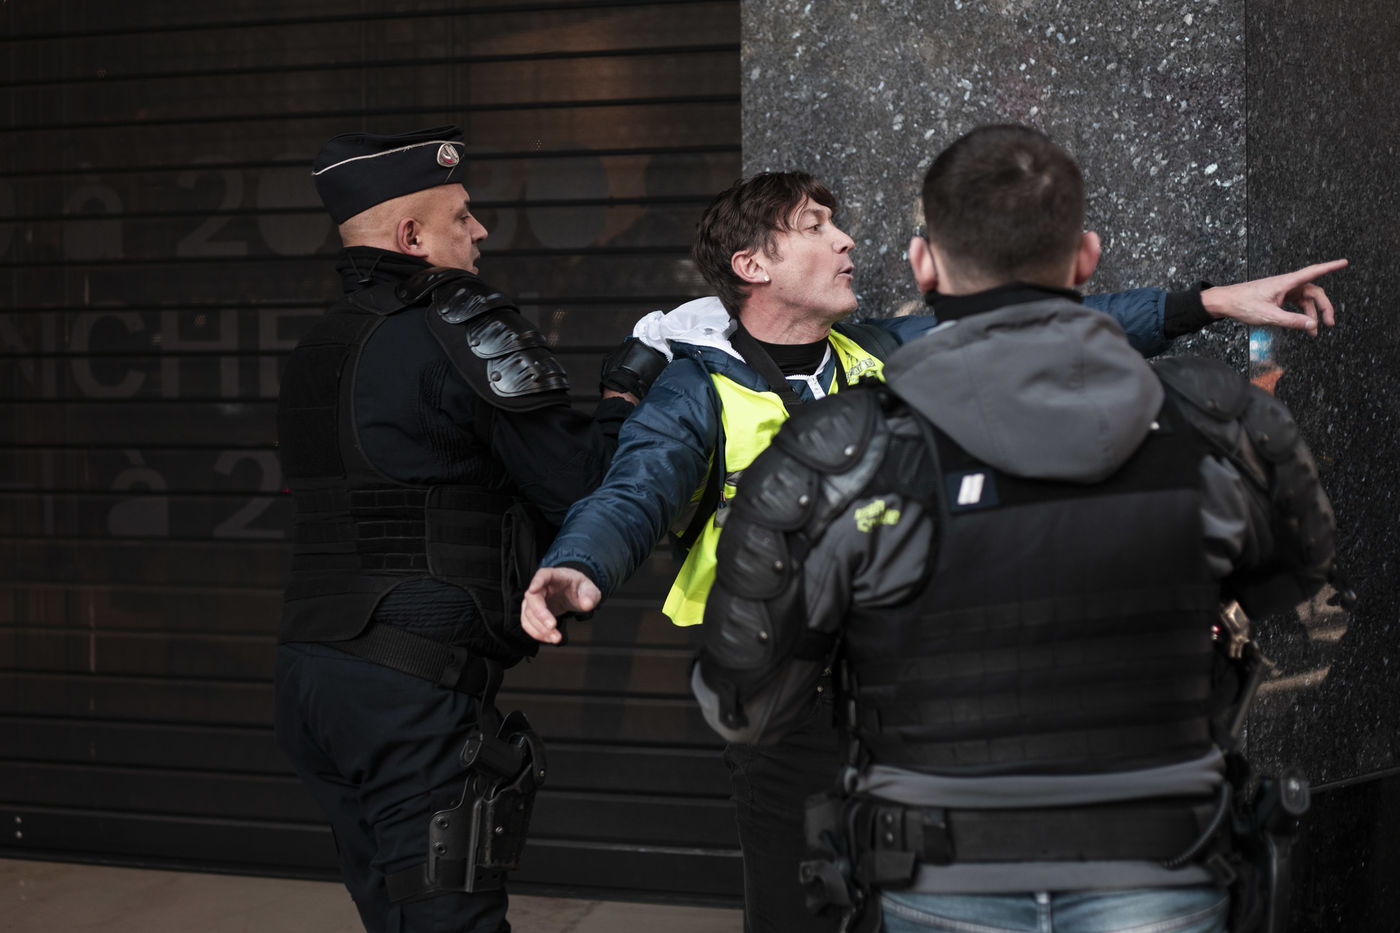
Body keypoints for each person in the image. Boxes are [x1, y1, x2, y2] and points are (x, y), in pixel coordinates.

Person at [518, 164, 1343, 930]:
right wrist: (580, 563)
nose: (845, 240)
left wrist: (1211, 302)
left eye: (836, 223)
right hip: (781, 694)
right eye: (814, 227)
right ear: (752, 265)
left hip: (898, 680)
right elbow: (634, 492)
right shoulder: (697, 387)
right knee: (798, 907)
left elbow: (1046, 327)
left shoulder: (881, 351)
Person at [273, 125, 660, 933]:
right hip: (410, 694)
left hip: (313, 686)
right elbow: (580, 486)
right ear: (412, 237)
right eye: (462, 216)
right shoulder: (461, 325)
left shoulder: (315, 348)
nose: (480, 231)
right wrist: (626, 393)